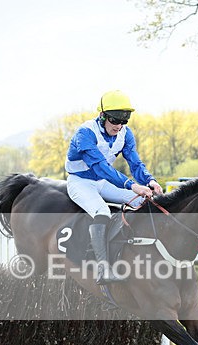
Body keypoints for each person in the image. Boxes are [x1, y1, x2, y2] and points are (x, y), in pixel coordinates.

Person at [65, 90, 163, 284]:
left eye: (124, 121)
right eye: (115, 120)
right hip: (80, 182)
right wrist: (131, 185)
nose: (119, 126)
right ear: (102, 116)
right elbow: (100, 167)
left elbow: (135, 163)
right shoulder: (85, 133)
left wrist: (150, 181)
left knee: (145, 200)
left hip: (103, 183)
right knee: (102, 212)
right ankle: (103, 269)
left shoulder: (126, 134)